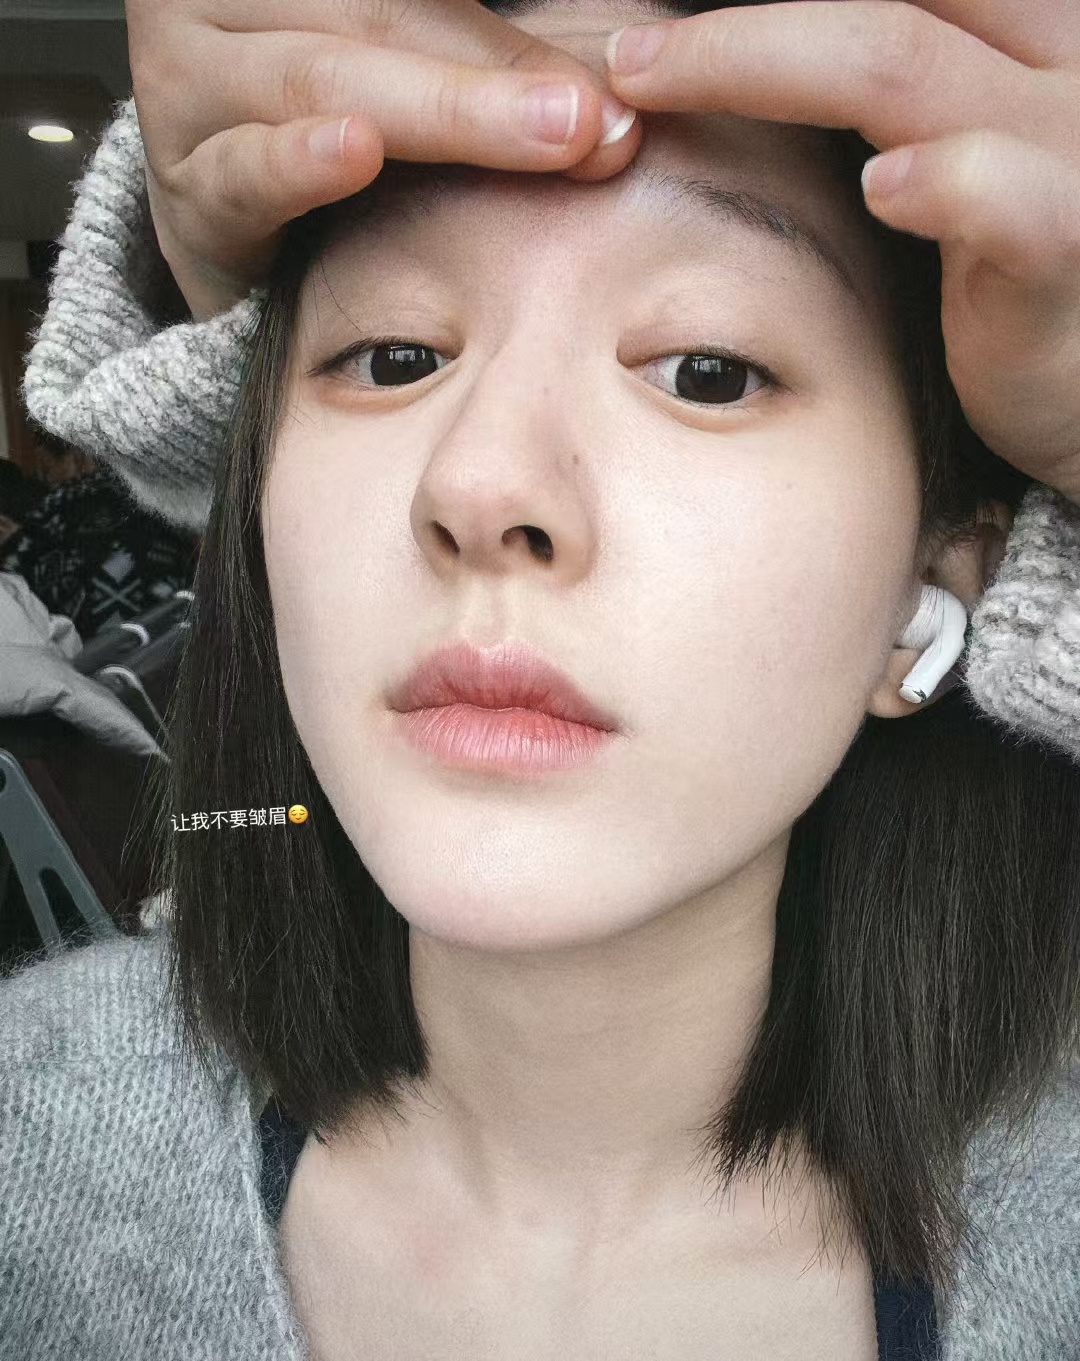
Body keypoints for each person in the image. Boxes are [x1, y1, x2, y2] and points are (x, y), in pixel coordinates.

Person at [5, 1, 1080, 1358]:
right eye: (394, 357)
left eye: (707, 371)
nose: (480, 483)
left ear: (940, 597)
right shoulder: (30, 1138)